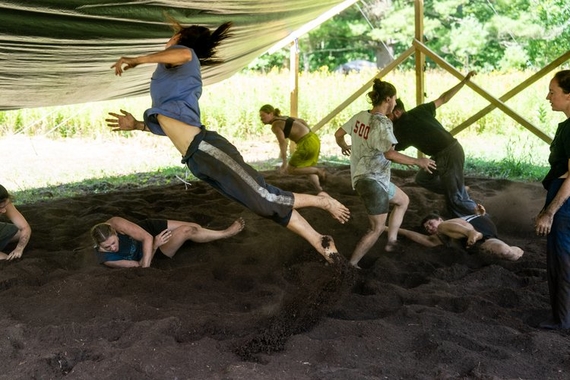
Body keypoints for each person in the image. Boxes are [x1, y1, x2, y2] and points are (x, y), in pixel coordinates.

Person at [105, 20, 350, 264]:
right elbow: (170, 126)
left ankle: (322, 200)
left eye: (172, 37)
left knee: (264, 196)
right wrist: (137, 125)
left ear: (180, 38)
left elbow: (181, 53)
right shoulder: (168, 80)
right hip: (197, 160)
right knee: (260, 202)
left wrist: (135, 59)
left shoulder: (184, 54)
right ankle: (319, 240)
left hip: (206, 148)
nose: (168, 41)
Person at [335, 79, 436, 268]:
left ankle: (391, 242)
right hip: (372, 181)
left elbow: (338, 134)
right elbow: (389, 153)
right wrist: (418, 161)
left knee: (403, 200)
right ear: (388, 99)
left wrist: (344, 147)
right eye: (395, 100)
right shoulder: (383, 124)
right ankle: (352, 265)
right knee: (376, 228)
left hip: (368, 179)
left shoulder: (359, 116)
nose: (396, 104)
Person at [389, 71, 479, 218]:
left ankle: (477, 213)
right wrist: (464, 82)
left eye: (388, 115)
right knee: (422, 178)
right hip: (445, 152)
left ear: (397, 112)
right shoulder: (420, 110)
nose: (387, 119)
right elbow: (443, 98)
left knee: (455, 199)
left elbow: (391, 153)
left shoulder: (402, 127)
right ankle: (458, 189)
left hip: (448, 154)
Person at [535, 69, 570, 329]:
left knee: (562, 259)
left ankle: (562, 319)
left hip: (565, 200)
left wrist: (550, 211)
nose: (548, 97)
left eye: (553, 92)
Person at [91, 216, 245, 268]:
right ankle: (225, 233)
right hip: (154, 251)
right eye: (107, 246)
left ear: (115, 232)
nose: (113, 247)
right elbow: (141, 267)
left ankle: (202, 236)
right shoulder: (107, 259)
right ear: (99, 246)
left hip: (148, 230)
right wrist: (155, 247)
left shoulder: (115, 223)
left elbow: (146, 236)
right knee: (187, 230)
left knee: (195, 226)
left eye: (113, 242)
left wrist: (152, 240)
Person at [398, 206, 523, 261]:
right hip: (484, 237)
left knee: (443, 228)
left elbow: (473, 215)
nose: (429, 228)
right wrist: (387, 228)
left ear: (440, 218)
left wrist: (473, 227)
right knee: (505, 252)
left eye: (431, 223)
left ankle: (472, 233)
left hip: (475, 225)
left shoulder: (447, 223)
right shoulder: (437, 239)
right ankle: (517, 251)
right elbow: (409, 233)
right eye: (427, 228)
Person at [259, 104, 326, 193]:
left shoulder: (275, 125)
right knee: (306, 167)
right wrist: (308, 133)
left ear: (271, 114)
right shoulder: (284, 117)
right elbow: (302, 121)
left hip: (306, 143)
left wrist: (284, 161)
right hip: (313, 139)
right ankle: (319, 189)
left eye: (263, 116)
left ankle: (318, 171)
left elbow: (283, 142)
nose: (261, 119)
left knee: (291, 169)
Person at [0, 184, 32, 261]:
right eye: (0, 208)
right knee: (4, 258)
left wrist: (19, 249)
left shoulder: (2, 201)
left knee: (19, 234)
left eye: (5, 206)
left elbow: (24, 227)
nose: (4, 211)